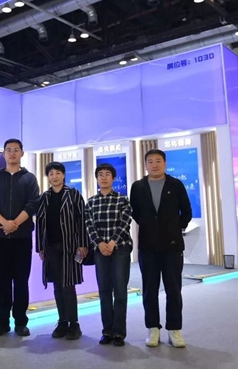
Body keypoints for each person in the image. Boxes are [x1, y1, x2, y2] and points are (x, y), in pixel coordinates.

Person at [130, 149, 192, 349]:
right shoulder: (138, 186)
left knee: (173, 289)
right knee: (150, 290)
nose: (154, 165)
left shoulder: (175, 184)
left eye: (158, 161)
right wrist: (150, 226)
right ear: (145, 165)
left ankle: (174, 329)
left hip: (172, 246)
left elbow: (187, 211)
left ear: (165, 163)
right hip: (147, 246)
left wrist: (174, 227)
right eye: (150, 161)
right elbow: (135, 213)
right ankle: (152, 328)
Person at [0, 138, 40, 337]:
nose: (12, 153)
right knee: (2, 281)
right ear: (3, 153)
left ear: (22, 153)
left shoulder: (29, 178)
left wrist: (15, 223)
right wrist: (5, 223)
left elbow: (33, 204)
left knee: (21, 281)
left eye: (16, 150)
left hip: (22, 238)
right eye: (9, 150)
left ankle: (21, 322)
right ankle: (2, 322)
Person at [36, 162, 88, 340]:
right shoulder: (44, 197)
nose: (55, 176)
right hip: (50, 247)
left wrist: (83, 244)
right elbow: (40, 223)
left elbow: (82, 220)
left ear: (64, 175)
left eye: (58, 173)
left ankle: (74, 324)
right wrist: (40, 247)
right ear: (48, 177)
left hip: (70, 247)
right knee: (57, 286)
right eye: (51, 174)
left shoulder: (73, 194)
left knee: (68, 286)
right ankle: (62, 322)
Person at [85, 163, 133, 347]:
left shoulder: (123, 200)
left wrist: (112, 242)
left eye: (107, 174)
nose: (103, 177)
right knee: (104, 291)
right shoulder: (91, 202)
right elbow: (89, 225)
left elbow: (125, 223)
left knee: (120, 290)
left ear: (113, 178)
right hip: (100, 250)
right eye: (100, 174)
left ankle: (119, 332)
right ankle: (107, 331)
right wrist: (99, 243)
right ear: (97, 178)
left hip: (120, 248)